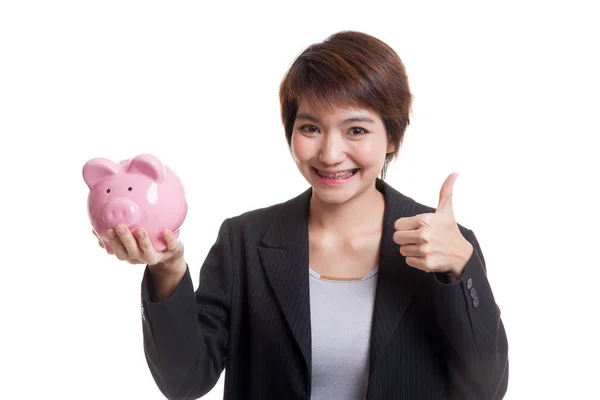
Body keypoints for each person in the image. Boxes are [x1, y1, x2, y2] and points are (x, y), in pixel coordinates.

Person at [97, 30, 509, 400]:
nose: (330, 154)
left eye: (356, 130)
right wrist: (168, 269)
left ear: (393, 138)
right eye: (310, 128)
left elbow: (484, 391)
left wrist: (460, 269)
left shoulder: (441, 243)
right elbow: (185, 381)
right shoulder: (245, 240)